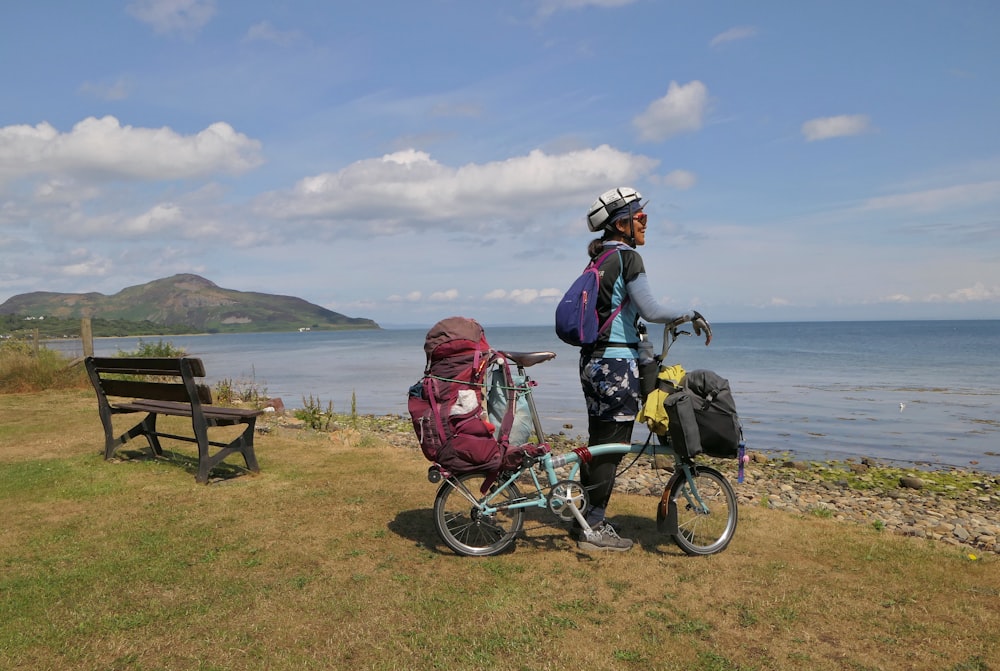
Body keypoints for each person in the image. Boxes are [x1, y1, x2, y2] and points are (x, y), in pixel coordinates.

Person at [573, 186, 711, 552]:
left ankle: (584, 517)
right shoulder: (628, 258)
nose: (646, 224)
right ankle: (595, 527)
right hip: (617, 364)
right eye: (641, 218)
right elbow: (649, 310)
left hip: (592, 362)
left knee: (598, 444)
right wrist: (688, 313)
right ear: (622, 224)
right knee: (613, 448)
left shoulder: (599, 259)